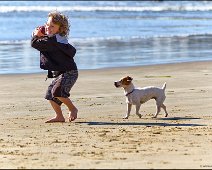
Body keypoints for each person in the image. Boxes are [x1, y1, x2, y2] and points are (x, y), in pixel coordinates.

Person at [31, 11, 78, 123]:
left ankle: (73, 108)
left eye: (52, 26)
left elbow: (35, 44)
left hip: (70, 72)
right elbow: (45, 41)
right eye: (47, 25)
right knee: (50, 94)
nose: (48, 28)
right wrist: (40, 35)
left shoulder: (54, 40)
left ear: (60, 29)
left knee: (57, 92)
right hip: (62, 72)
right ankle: (59, 116)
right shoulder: (54, 38)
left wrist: (36, 35)